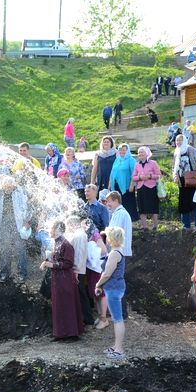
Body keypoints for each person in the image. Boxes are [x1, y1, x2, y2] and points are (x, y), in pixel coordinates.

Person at [40, 220, 83, 341]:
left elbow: (68, 263)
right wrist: (47, 261)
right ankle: (60, 333)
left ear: (58, 229)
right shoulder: (57, 243)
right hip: (58, 280)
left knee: (67, 305)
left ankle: (72, 333)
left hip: (65, 281)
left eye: (53, 228)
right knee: (59, 305)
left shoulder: (66, 244)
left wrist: (51, 265)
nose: (50, 231)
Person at [95, 226, 128, 360]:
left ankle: (119, 350)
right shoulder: (118, 250)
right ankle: (116, 346)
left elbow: (107, 273)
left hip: (113, 289)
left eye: (108, 236)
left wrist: (98, 284)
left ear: (112, 238)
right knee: (116, 319)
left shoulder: (114, 253)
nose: (106, 238)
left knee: (117, 319)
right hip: (116, 287)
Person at [0, 176, 30, 283]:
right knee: (5, 250)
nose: (7, 188)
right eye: (5, 186)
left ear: (13, 186)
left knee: (20, 250)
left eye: (9, 186)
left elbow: (25, 206)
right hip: (4, 225)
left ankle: (22, 274)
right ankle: (4, 274)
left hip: (17, 225)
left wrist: (26, 220)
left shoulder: (19, 193)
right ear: (2, 186)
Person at [66, 216, 95, 327]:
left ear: (73, 224)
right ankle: (86, 317)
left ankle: (87, 318)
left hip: (79, 270)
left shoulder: (78, 236)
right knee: (82, 293)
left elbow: (78, 254)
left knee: (81, 294)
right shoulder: (81, 234)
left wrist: (76, 270)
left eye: (69, 226)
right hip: (82, 268)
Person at [172, 134, 196, 230]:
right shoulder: (176, 152)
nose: (178, 142)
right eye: (177, 141)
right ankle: (186, 225)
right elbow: (174, 167)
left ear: (185, 141)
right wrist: (175, 176)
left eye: (180, 140)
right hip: (182, 182)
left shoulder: (191, 150)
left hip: (193, 179)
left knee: (195, 202)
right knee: (183, 203)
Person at [131, 146, 162, 230]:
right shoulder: (137, 164)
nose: (140, 154)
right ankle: (145, 227)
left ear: (147, 153)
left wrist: (150, 176)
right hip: (141, 188)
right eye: (139, 152)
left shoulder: (153, 163)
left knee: (153, 206)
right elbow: (133, 177)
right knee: (142, 207)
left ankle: (155, 226)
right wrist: (140, 177)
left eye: (142, 152)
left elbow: (159, 175)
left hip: (151, 188)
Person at [110, 143, 138, 221]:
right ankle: (120, 220)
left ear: (127, 150)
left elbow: (134, 173)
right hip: (116, 185)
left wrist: (132, 185)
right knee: (118, 202)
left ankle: (130, 220)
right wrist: (110, 184)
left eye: (123, 150)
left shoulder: (131, 160)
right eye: (120, 150)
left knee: (127, 203)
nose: (121, 151)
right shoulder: (117, 159)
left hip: (127, 186)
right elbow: (112, 172)